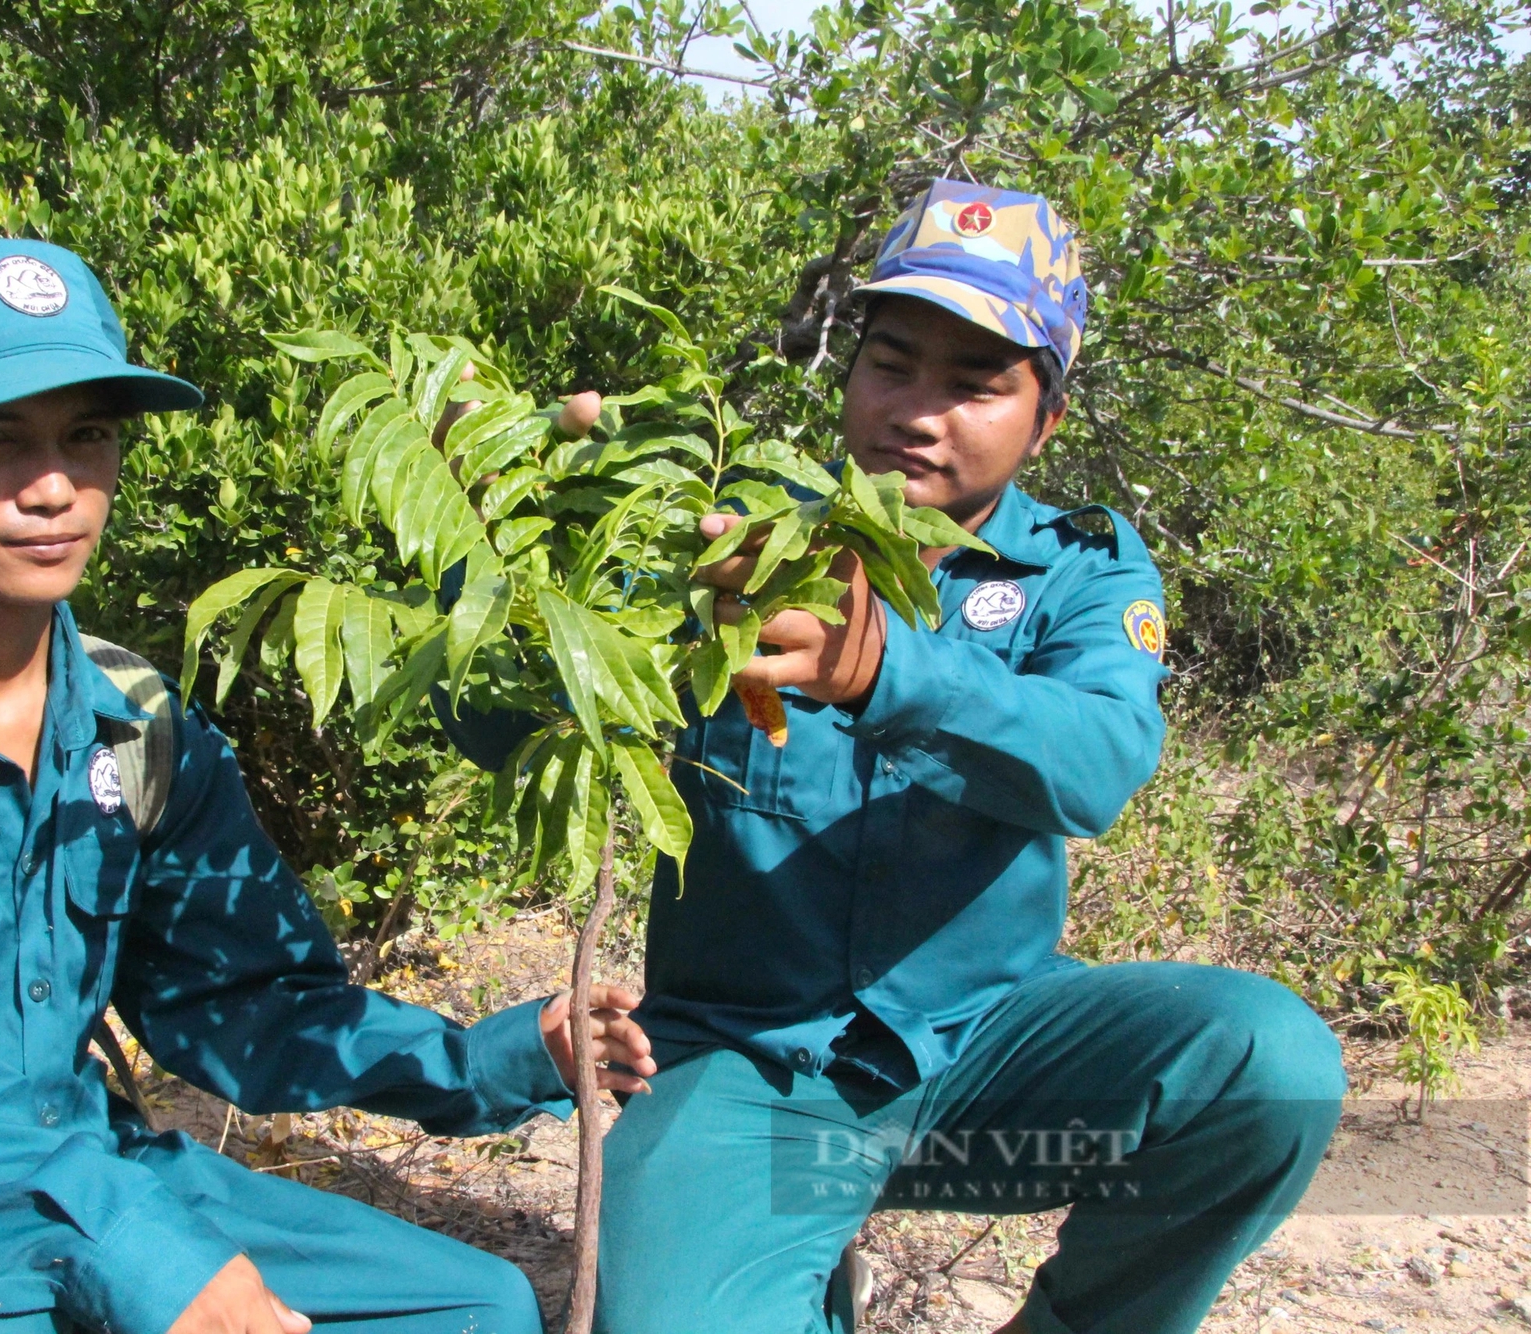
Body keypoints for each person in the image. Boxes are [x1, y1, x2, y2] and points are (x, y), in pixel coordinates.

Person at [0, 236, 655, 1334]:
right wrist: (137, 1254)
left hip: (98, 1172)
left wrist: (497, 1052)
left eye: (85, 436)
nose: (50, 486)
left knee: (471, 1305)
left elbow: (250, 1004)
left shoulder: (137, 728)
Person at [439, 180, 1347, 1334]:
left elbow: (1098, 760)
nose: (917, 410)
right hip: (755, 1075)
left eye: (975, 384)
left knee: (1266, 1063)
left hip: (986, 1066)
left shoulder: (1079, 569)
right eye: (891, 362)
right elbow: (502, 722)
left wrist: (883, 673)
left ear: (1045, 417)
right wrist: (514, 536)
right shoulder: (720, 533)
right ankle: (796, 1261)